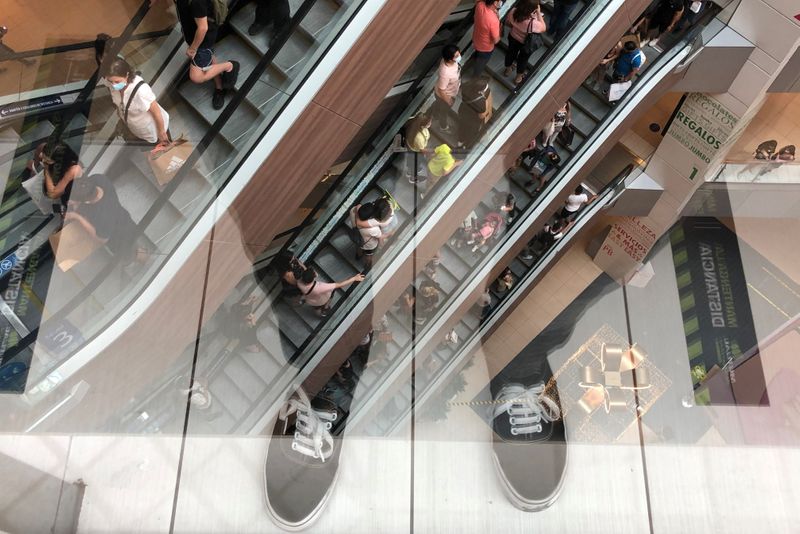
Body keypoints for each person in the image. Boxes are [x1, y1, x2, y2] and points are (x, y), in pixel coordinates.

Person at [174, 0, 240, 110]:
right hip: (200, 36)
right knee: (209, 58)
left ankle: (230, 66)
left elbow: (203, 28)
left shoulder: (197, 2)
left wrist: (193, 48)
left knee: (196, 76)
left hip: (202, 42)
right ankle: (219, 87)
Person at [66, 174, 141, 261]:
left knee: (131, 254)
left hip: (119, 238)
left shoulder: (104, 216)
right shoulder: (98, 179)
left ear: (87, 202)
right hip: (124, 218)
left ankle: (139, 258)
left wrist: (77, 217)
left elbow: (102, 239)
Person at [104, 58, 170, 147]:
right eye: (111, 81)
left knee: (161, 156)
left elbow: (156, 112)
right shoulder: (111, 85)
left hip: (153, 131)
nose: (114, 85)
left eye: (117, 82)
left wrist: (162, 134)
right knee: (149, 155)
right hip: (137, 130)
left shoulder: (141, 91)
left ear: (127, 75)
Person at [503, 0, 546, 85]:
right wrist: (538, 13)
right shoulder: (532, 23)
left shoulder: (513, 11)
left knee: (510, 53)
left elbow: (509, 22)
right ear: (532, 9)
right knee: (523, 60)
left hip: (513, 37)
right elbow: (543, 27)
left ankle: (508, 70)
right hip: (525, 43)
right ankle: (518, 77)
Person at [296, 267, 364, 317]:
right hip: (322, 299)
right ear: (313, 277)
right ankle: (325, 308)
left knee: (316, 308)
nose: (315, 272)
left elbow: (305, 273)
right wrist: (354, 278)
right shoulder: (321, 287)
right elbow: (340, 284)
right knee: (331, 293)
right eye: (314, 272)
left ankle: (320, 313)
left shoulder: (299, 282)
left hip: (310, 300)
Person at [352, 199, 394, 268]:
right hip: (368, 245)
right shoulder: (373, 229)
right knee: (368, 254)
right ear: (371, 216)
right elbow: (381, 237)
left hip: (358, 237)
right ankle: (368, 264)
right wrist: (390, 233)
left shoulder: (354, 211)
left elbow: (358, 206)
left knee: (359, 247)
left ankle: (358, 256)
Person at [431, 45, 462, 133]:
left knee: (439, 106)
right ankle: (443, 126)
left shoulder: (449, 62)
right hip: (445, 96)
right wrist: (448, 101)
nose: (459, 56)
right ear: (449, 59)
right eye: (456, 56)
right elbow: (441, 90)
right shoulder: (445, 73)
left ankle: (435, 113)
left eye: (459, 53)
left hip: (450, 91)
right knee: (444, 113)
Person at [457, 76, 493, 148]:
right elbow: (481, 116)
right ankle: (465, 144)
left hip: (463, 111)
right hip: (472, 119)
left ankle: (460, 140)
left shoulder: (466, 87)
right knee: (471, 131)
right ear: (480, 91)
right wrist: (487, 108)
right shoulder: (481, 102)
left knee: (462, 126)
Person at [472, 0, 503, 77]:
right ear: (495, 3)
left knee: (477, 55)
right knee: (481, 63)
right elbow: (496, 40)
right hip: (486, 47)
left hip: (476, 39)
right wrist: (500, 26)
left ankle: (475, 63)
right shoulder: (493, 20)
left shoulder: (480, 5)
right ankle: (476, 77)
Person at [403, 113, 432, 183]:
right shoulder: (418, 138)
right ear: (424, 125)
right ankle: (413, 178)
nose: (431, 123)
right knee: (415, 163)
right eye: (429, 123)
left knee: (411, 160)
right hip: (416, 150)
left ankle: (409, 172)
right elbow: (422, 150)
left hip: (411, 147)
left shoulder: (416, 123)